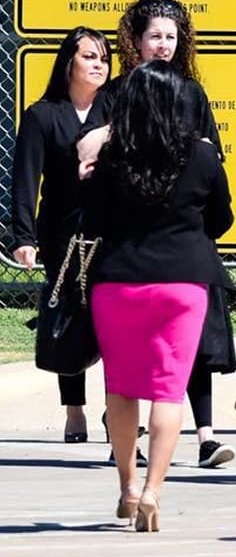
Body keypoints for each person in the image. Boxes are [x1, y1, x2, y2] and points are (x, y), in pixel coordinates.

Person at [84, 60, 234, 531]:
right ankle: (153, 491)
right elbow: (222, 219)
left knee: (121, 388)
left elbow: (93, 223)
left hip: (119, 282)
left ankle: (127, 487)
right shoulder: (203, 155)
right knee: (168, 390)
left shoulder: (111, 157)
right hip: (183, 283)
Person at [12, 27, 112, 443]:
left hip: (112, 231)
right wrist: (23, 236)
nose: (99, 65)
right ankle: (74, 409)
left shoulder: (115, 110)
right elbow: (25, 178)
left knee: (113, 322)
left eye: (104, 57)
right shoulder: (43, 114)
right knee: (69, 317)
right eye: (89, 56)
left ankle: (117, 409)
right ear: (68, 62)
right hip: (63, 234)